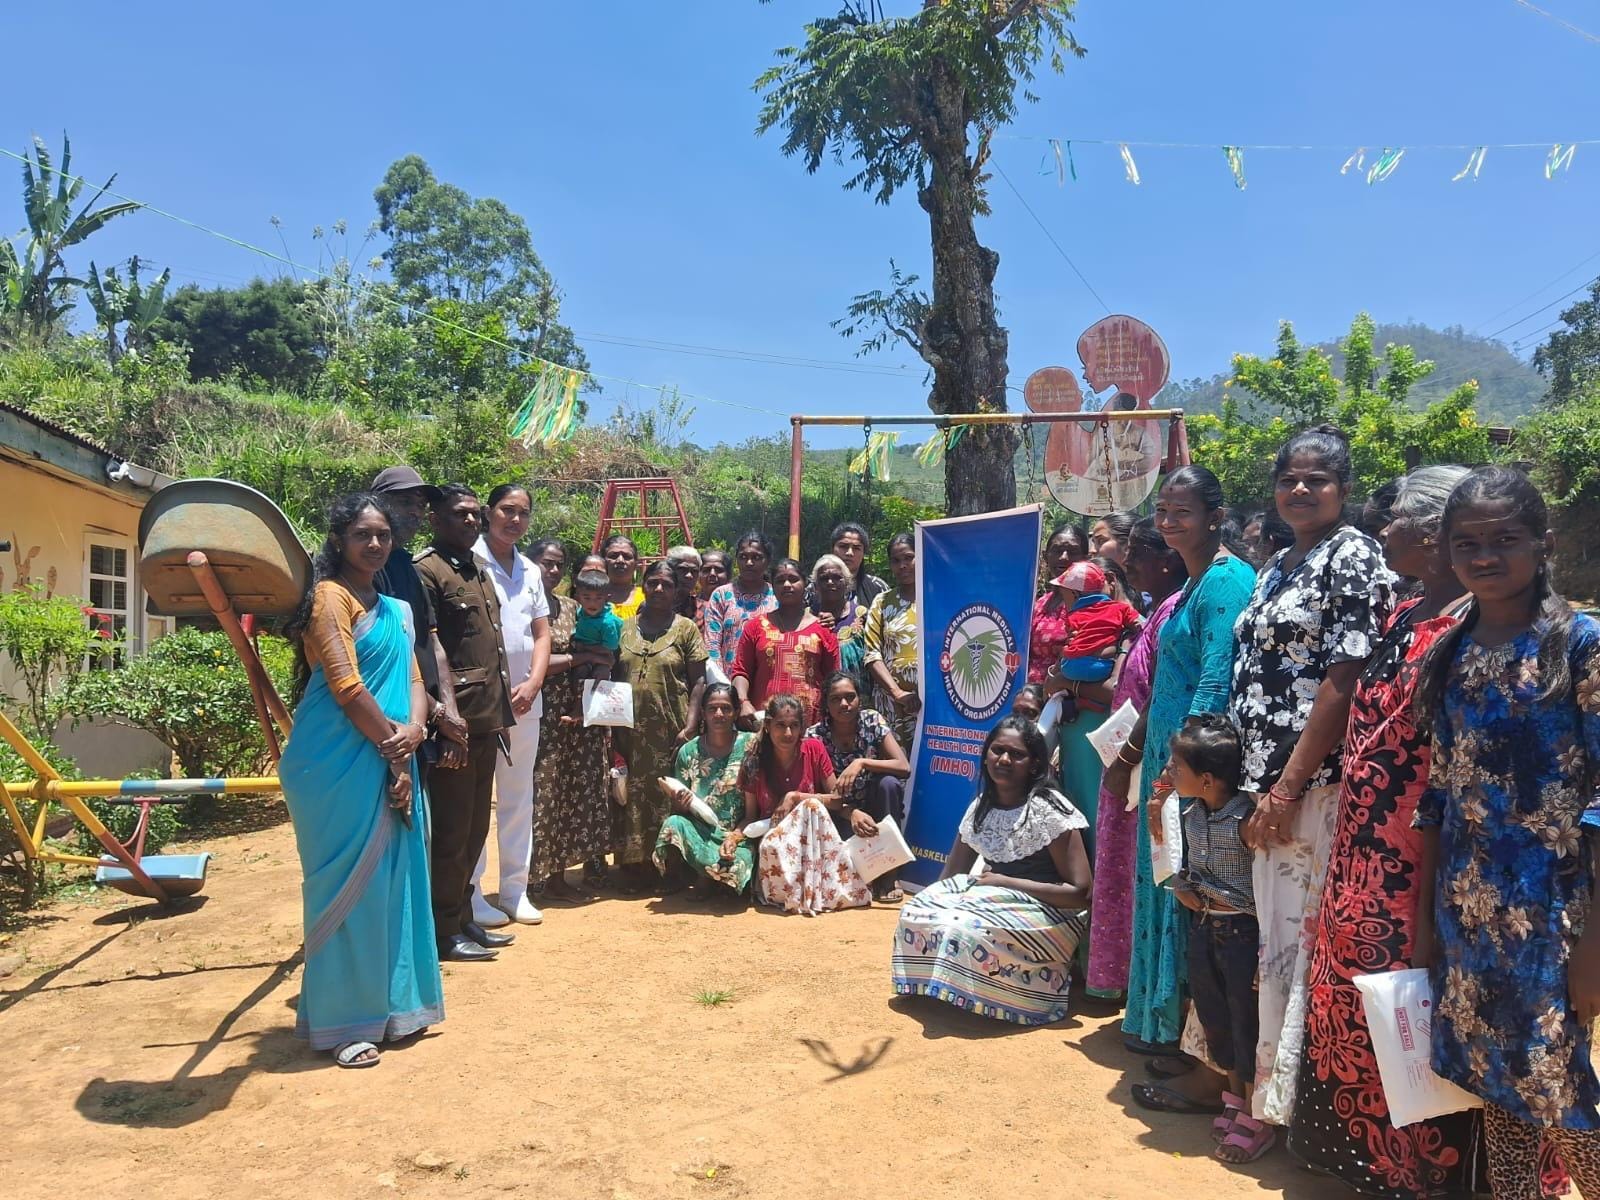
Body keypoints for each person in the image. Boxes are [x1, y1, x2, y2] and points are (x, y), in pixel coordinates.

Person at [1287, 466, 1482, 1197]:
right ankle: (1360, 1157)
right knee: (1356, 997)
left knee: (1409, 1003)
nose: (1382, 529)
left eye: (1394, 517)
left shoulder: (1467, 628)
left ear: (1430, 534)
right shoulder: (1402, 614)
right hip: (1362, 847)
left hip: (1414, 858)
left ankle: (1418, 1170)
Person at [1413, 466, 1600, 1198]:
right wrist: (1429, 930)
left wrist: (1593, 947)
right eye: (1467, 544)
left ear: (1542, 545)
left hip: (1553, 914)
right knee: (1493, 1080)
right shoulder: (1451, 651)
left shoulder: (1579, 646)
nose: (1485, 557)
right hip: (1467, 912)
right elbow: (1438, 795)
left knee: (1558, 1087)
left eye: (1505, 540)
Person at [1231, 425, 1395, 1127]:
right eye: (1289, 478)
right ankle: (1271, 1094)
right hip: (1264, 781)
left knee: (1298, 946)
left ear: (1343, 490)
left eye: (1316, 479)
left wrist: (1288, 786)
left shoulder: (1352, 558)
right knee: (1274, 939)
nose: (1299, 489)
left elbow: (1344, 676)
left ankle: (1287, 1110)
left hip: (1313, 785)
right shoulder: (1279, 564)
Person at [1101, 465, 1254, 1107]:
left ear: (1215, 516)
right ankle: (1176, 1039)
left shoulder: (1224, 581)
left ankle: (1206, 1063)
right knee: (1173, 896)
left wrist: (1175, 777)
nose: (1168, 521)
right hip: (1173, 764)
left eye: (1182, 510)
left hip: (1196, 771)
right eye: (1162, 510)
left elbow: (1215, 683)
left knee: (1197, 906)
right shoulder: (1192, 583)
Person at [279, 493, 442, 1067]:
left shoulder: (396, 608)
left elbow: (418, 680)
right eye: (361, 535)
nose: (374, 545)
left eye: (383, 535)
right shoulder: (329, 598)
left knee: (394, 884)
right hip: (335, 763)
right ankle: (343, 1023)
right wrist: (395, 752)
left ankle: (393, 1008)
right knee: (344, 889)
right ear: (339, 541)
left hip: (395, 746)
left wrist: (415, 735)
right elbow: (347, 686)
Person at [891, 717, 1093, 1025]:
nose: (1005, 760)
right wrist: (937, 906)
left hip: (1046, 912)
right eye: (997, 750)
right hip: (995, 899)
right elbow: (951, 875)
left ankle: (1017, 996)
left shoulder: (1049, 809)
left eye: (1017, 755)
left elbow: (1081, 894)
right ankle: (941, 983)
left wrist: (1005, 882)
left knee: (964, 928)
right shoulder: (982, 806)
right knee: (916, 913)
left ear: (1035, 764)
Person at [1084, 517, 1188, 1003]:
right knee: (1123, 869)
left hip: (1148, 763)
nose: (1130, 566)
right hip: (1129, 759)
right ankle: (1121, 979)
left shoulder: (1173, 611)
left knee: (1145, 871)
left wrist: (1127, 755)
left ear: (1166, 560)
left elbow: (1161, 691)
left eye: (1138, 557)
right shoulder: (1158, 608)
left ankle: (1141, 988)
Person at [414, 484, 518, 963]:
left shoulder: (476, 567)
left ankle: (461, 919)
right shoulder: (426, 571)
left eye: (476, 515)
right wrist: (442, 718)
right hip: (454, 727)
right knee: (452, 833)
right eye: (461, 515)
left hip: (486, 719)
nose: (472, 522)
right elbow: (426, 652)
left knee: (475, 830)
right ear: (436, 518)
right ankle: (441, 931)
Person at [1161, 715, 1268, 1164]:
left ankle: (1257, 1118)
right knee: (1214, 1014)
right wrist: (1183, 887)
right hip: (1204, 928)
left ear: (1206, 779)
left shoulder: (1247, 819)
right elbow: (1184, 867)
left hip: (1241, 934)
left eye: (1175, 767)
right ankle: (1234, 1098)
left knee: (1246, 1021)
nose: (1167, 771)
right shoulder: (1188, 812)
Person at [468, 484, 551, 928]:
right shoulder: (469, 561)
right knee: (477, 798)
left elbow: (542, 633)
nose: (514, 520)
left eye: (523, 513)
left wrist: (534, 682)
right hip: (479, 703)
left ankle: (514, 891)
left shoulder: (532, 571)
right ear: (487, 512)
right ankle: (474, 892)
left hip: (524, 701)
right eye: (506, 510)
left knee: (519, 797)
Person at [612, 560, 708, 892]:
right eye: (652, 583)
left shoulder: (686, 629)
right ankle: (633, 868)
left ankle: (670, 868)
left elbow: (698, 683)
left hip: (672, 729)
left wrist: (691, 727)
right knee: (631, 795)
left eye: (666, 584)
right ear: (643, 585)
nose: (659, 589)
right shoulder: (624, 628)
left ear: (676, 589)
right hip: (628, 731)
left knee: (669, 795)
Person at [526, 539, 613, 904]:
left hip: (577, 714)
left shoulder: (572, 607)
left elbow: (604, 649)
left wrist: (585, 658)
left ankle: (560, 875)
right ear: (530, 564)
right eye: (547, 563)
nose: (553, 571)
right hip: (540, 713)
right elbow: (537, 662)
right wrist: (583, 657)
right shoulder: (522, 607)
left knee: (571, 792)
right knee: (541, 793)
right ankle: (532, 879)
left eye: (559, 564)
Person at [732, 694, 871, 915]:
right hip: (776, 843)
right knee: (777, 840)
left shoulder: (813, 749)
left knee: (811, 807)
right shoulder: (754, 761)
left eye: (794, 726)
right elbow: (751, 817)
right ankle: (797, 894)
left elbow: (836, 800)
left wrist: (795, 797)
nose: (788, 733)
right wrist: (733, 837)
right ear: (767, 726)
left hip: (813, 841)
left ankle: (815, 891)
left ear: (801, 728)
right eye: (780, 725)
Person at [370, 465, 466, 773]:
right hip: (383, 723)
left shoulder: (407, 567)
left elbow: (432, 642)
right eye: (405, 502)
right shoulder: (362, 570)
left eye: (420, 506)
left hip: (419, 724)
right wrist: (438, 713)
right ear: (376, 502)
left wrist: (449, 714)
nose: (415, 513)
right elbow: (385, 658)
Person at [806, 671, 910, 900]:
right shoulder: (815, 736)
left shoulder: (871, 720)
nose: (844, 704)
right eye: (835, 699)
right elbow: (818, 793)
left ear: (859, 699)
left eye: (850, 697)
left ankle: (890, 874)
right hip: (839, 814)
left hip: (876, 811)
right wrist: (851, 813)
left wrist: (861, 762)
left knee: (889, 784)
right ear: (826, 704)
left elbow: (903, 766)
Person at [654, 681, 757, 896]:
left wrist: (733, 838)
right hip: (702, 834)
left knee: (737, 866)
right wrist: (680, 805)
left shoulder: (751, 746)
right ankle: (695, 877)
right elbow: (679, 810)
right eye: (712, 708)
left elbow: (752, 814)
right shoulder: (687, 752)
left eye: (726, 708)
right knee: (673, 824)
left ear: (736, 712)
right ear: (702, 713)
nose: (719, 714)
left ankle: (711, 877)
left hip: (739, 834)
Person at [732, 557, 840, 727]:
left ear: (805, 584)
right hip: (765, 721)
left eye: (794, 579)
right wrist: (743, 701)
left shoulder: (823, 630)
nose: (787, 585)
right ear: (772, 587)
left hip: (811, 724)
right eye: (780, 580)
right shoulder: (756, 626)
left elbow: (833, 679)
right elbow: (741, 671)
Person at [863, 533, 920, 750]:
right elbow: (871, 653)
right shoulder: (882, 601)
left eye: (908, 557)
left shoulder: (936, 597)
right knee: (897, 767)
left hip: (932, 703)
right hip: (892, 702)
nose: (903, 565)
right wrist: (897, 693)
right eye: (896, 561)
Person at [1028, 521, 1092, 683]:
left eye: (1072, 551)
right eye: (1057, 551)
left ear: (1087, 558)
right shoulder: (1038, 603)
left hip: (1063, 697)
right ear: (1045, 556)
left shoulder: (1088, 604)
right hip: (1029, 698)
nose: (1064, 557)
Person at [704, 531, 778, 669]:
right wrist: (721, 684)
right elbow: (711, 645)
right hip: (728, 682)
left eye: (756, 557)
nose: (749, 563)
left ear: (767, 561)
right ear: (737, 560)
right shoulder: (721, 596)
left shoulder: (777, 596)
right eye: (743, 557)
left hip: (768, 682)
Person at [564, 568, 622, 727]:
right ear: (578, 598)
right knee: (578, 676)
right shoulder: (581, 611)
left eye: (598, 598)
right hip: (584, 655)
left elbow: (610, 647)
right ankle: (578, 707)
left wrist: (586, 648)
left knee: (595, 679)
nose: (592, 603)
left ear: (607, 598)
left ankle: (587, 712)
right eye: (587, 598)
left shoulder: (607, 622)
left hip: (602, 659)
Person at [809, 554, 868, 677]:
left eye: (837, 578)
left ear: (847, 583)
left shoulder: (862, 615)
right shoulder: (805, 617)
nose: (830, 582)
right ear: (815, 587)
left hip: (857, 693)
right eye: (824, 578)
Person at [806, 522, 887, 609]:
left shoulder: (877, 587)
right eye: (843, 546)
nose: (849, 553)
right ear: (832, 549)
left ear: (864, 553)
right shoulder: (814, 588)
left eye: (856, 548)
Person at [599, 534, 644, 619]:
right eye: (613, 556)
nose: (620, 560)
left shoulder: (646, 597)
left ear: (636, 564)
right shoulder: (590, 596)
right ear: (602, 561)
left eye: (627, 557)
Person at [666, 545, 703, 623]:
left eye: (694, 571)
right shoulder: (652, 606)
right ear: (669, 570)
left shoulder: (703, 609)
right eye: (683, 569)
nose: (689, 576)